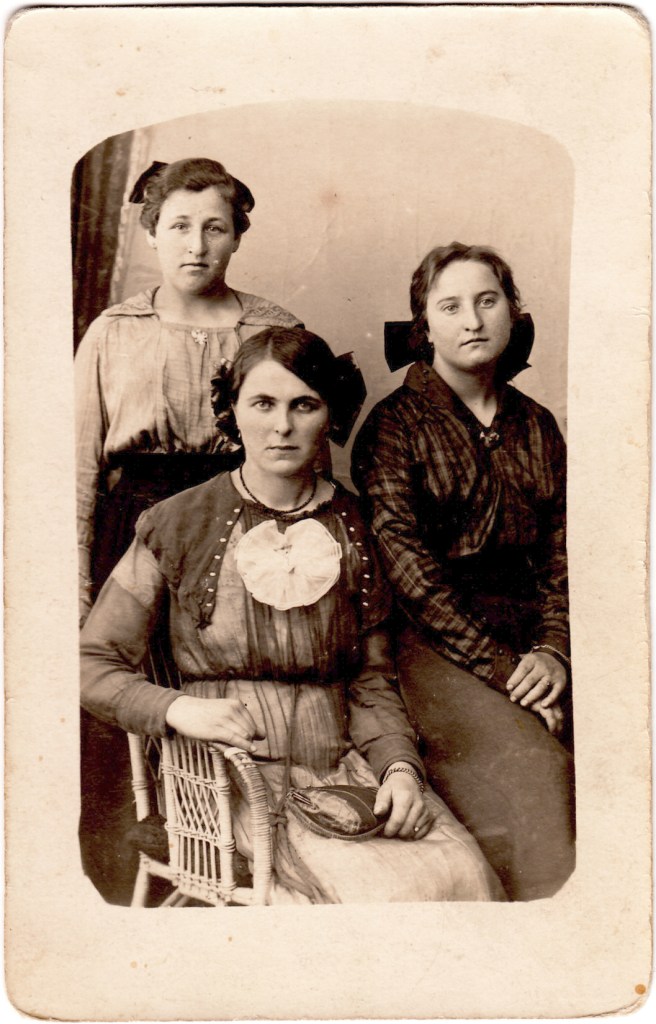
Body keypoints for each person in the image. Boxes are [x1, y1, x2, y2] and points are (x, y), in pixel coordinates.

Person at [80, 326, 502, 904]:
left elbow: (371, 680)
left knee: (463, 875)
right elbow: (91, 664)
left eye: (304, 405)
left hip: (344, 771)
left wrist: (400, 768)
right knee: (376, 899)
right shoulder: (176, 522)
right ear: (232, 411)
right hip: (224, 779)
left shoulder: (358, 526)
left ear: (329, 416)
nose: (282, 426)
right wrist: (177, 708)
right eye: (263, 403)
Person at [75, 157, 302, 902]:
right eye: (178, 226)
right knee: (125, 706)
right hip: (131, 531)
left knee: (234, 698)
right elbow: (76, 471)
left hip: (242, 529)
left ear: (238, 234)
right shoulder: (113, 331)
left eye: (214, 227)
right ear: (151, 233)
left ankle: (245, 862)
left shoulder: (275, 329)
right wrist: (76, 588)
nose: (196, 245)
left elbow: (302, 457)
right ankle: (127, 883)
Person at [351, 242, 575, 901]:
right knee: (539, 773)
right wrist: (509, 674)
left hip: (536, 634)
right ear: (424, 325)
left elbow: (562, 550)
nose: (473, 321)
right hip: (435, 645)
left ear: (513, 311)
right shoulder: (394, 427)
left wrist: (554, 650)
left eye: (487, 301)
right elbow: (413, 578)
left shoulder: (538, 424)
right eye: (450, 307)